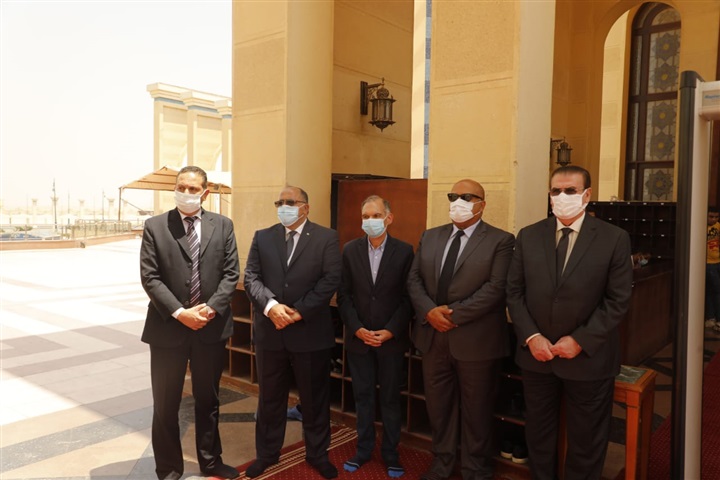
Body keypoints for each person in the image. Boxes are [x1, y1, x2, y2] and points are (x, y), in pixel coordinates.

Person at [506, 165, 633, 480]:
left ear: (587, 195)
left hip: (589, 358)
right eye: (556, 191)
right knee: (538, 435)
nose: (562, 196)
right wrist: (532, 337)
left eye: (570, 191)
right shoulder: (529, 235)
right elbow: (514, 292)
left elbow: (618, 300)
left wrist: (580, 340)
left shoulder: (614, 238)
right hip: (537, 356)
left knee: (586, 440)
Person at [407, 179, 515, 480]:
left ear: (482, 203)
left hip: (476, 341)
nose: (458, 202)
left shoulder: (501, 240)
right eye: (453, 196)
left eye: (466, 196)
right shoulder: (431, 236)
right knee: (438, 407)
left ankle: (475, 469)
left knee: (477, 410)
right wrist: (429, 311)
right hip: (433, 337)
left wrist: (452, 316)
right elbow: (414, 280)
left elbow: (496, 288)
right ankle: (441, 464)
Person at [140, 166, 240, 480]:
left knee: (208, 400)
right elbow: (150, 277)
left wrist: (209, 310)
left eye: (193, 189)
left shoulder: (223, 225)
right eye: (181, 187)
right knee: (165, 404)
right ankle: (169, 468)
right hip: (167, 328)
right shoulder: (155, 226)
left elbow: (231, 274)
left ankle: (211, 461)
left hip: (210, 328)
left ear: (205, 193)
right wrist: (180, 313)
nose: (186, 193)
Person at [243, 185, 342, 479]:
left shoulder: (326, 237)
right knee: (270, 399)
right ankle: (267, 454)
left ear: (305, 208)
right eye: (280, 202)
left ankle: (317, 454)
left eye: (290, 202)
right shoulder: (263, 236)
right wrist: (272, 307)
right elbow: (251, 277)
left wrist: (298, 311)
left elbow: (330, 279)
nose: (283, 207)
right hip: (270, 332)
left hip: (309, 333)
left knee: (314, 400)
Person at [337, 195, 414, 478]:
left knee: (391, 399)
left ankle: (391, 453)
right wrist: (357, 328)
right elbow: (344, 295)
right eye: (366, 217)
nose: (370, 221)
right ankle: (363, 450)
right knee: (363, 397)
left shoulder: (405, 252)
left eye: (376, 215)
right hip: (359, 339)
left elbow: (408, 298)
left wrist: (390, 331)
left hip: (390, 341)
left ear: (389, 218)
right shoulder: (350, 250)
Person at [706, 207, 720, 330]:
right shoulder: (701, 227)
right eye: (711, 216)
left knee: (714, 290)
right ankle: (713, 318)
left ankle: (714, 318)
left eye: (716, 217)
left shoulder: (718, 226)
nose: (714, 219)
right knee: (713, 290)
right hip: (708, 262)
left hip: (717, 260)